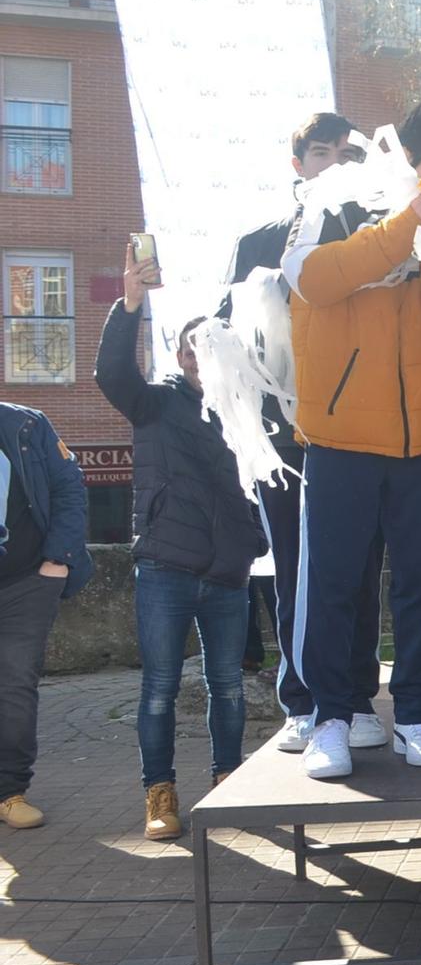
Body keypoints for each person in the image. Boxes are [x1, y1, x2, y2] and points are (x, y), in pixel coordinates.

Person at [281, 101, 421, 780]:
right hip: (340, 436)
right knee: (336, 583)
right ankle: (331, 716)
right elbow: (313, 279)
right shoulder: (331, 204)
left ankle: (419, 711)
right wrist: (402, 228)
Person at [221, 112, 387, 756]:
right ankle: (303, 701)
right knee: (295, 569)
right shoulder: (258, 241)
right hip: (284, 437)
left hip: (356, 431)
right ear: (299, 165)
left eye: (349, 153)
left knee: (358, 568)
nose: (336, 164)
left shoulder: (374, 241)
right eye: (323, 153)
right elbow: (224, 327)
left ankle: (355, 697)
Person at [96, 248, 267, 839]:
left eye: (210, 348)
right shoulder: (156, 402)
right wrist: (130, 304)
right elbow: (111, 376)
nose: (199, 358)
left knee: (227, 684)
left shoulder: (245, 409)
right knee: (160, 688)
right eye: (190, 348)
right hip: (166, 568)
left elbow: (268, 482)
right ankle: (160, 795)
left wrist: (253, 539)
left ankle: (229, 782)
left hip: (226, 573)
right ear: (178, 354)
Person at [0, 402, 91, 831]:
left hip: (25, 582)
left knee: (16, 683)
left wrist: (58, 560)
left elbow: (69, 487)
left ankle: (9, 792)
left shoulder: (26, 424)